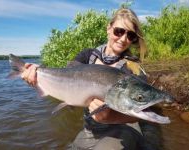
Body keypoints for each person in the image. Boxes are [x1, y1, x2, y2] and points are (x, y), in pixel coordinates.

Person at [22, 8, 150, 150]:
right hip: (91, 130)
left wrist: (110, 117)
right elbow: (64, 78)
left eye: (130, 35)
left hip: (124, 129)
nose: (123, 39)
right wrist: (37, 74)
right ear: (109, 28)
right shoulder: (87, 56)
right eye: (119, 31)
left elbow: (143, 112)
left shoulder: (133, 67)